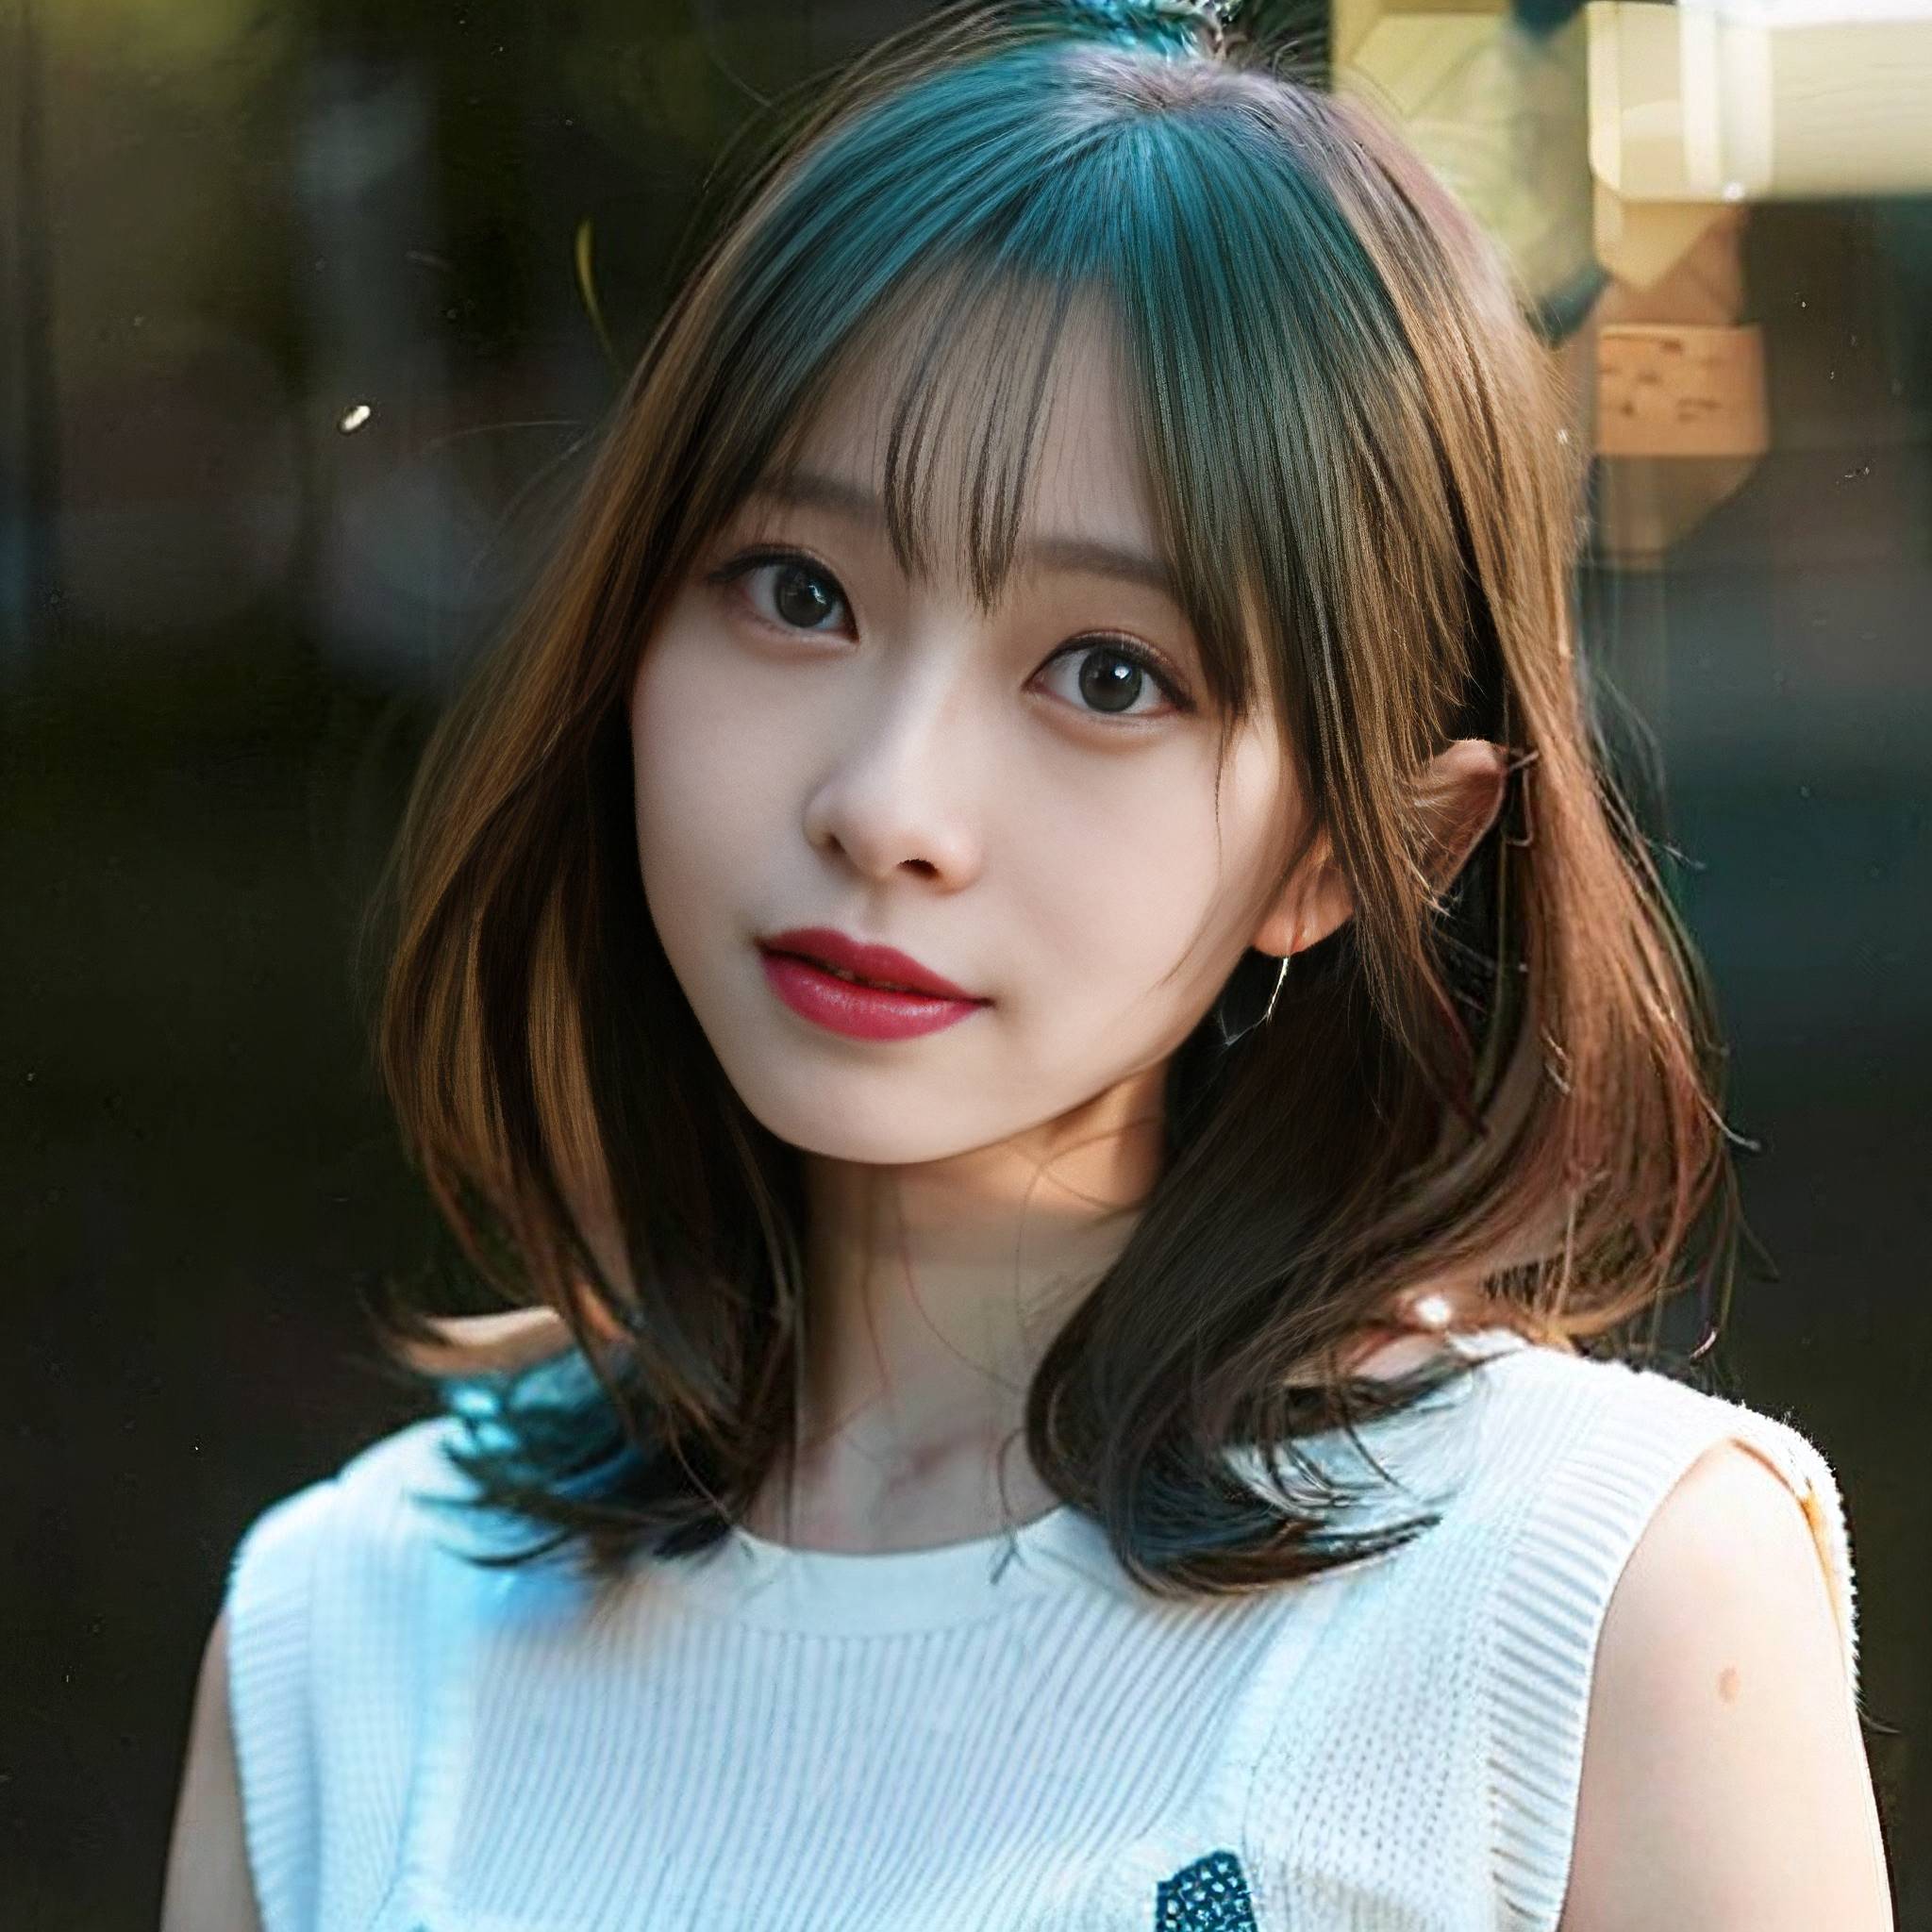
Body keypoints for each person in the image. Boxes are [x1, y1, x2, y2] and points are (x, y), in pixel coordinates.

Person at [161, 0, 1894, 1925]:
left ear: (1359, 848)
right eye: (796, 593)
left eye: (1107, 676)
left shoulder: (1589, 1596)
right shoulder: (355, 1634)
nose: (889, 805)